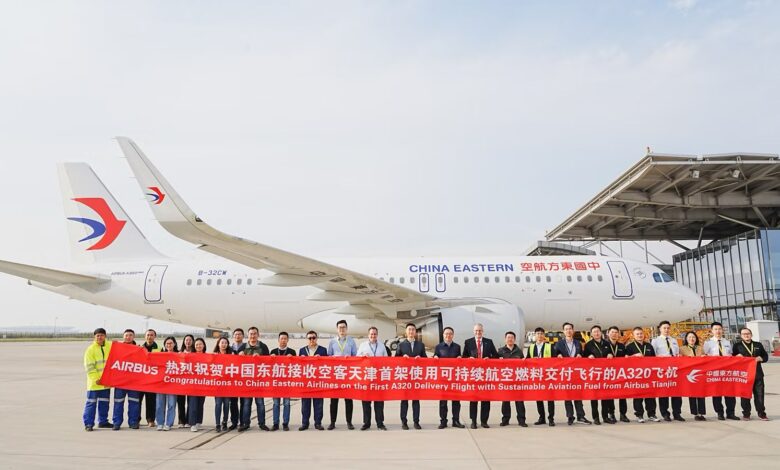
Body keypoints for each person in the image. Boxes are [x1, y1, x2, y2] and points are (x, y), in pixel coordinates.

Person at [553, 322, 591, 425]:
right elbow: (555, 355)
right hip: (566, 373)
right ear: (563, 331)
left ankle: (581, 416)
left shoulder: (578, 343)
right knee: (568, 396)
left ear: (573, 330)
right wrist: (558, 355)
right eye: (566, 329)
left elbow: (582, 354)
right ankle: (570, 416)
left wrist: (580, 355)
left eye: (570, 329)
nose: (568, 331)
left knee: (578, 395)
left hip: (576, 373)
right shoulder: (559, 343)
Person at [463, 323, 498, 428]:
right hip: (474, 375)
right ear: (473, 331)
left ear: (483, 331)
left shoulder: (489, 342)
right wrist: (469, 359)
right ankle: (473, 421)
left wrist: (489, 359)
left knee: (486, 399)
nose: (478, 332)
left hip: (486, 375)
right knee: (473, 399)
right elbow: (464, 356)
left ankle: (484, 421)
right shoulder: (468, 342)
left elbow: (495, 356)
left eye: (480, 330)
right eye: (476, 331)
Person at [703, 321, 740, 421]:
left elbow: (731, 355)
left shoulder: (727, 342)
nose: (718, 331)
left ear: (722, 330)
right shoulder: (708, 343)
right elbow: (704, 356)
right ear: (712, 331)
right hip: (715, 371)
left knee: (730, 393)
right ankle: (720, 413)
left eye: (719, 329)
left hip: (727, 371)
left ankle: (731, 413)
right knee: (716, 393)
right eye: (715, 329)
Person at [327, 320, 358, 430]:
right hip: (336, 374)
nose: (342, 329)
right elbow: (328, 356)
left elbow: (355, 356)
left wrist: (350, 359)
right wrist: (333, 358)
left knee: (348, 400)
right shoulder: (332, 342)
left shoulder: (351, 341)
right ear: (337, 329)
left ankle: (349, 422)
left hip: (348, 374)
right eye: (340, 327)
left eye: (344, 327)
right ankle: (332, 422)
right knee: (333, 400)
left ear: (347, 329)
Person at [733, 327, 769, 421]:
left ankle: (761, 413)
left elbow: (765, 356)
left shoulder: (758, 344)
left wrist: (761, 358)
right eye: (744, 334)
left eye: (748, 333)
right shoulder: (737, 346)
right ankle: (746, 414)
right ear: (741, 336)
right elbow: (732, 358)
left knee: (759, 395)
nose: (746, 335)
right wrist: (736, 356)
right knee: (745, 395)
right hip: (744, 375)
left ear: (751, 334)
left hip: (757, 374)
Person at [625, 327, 660, 423]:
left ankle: (651, 414)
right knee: (638, 396)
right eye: (637, 334)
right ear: (633, 335)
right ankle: (639, 415)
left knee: (650, 396)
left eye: (641, 333)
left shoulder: (649, 346)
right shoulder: (629, 346)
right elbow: (625, 360)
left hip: (649, 375)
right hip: (637, 375)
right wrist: (634, 356)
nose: (640, 335)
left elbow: (654, 359)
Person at [651, 320, 684, 422]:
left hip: (674, 369)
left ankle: (677, 413)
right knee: (664, 393)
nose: (666, 330)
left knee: (676, 392)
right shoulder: (655, 341)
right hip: (663, 370)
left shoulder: (674, 340)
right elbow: (653, 356)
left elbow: (677, 353)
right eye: (664, 328)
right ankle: (665, 414)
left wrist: (679, 356)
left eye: (668, 328)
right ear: (660, 329)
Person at [397, 323, 427, 430]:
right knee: (404, 400)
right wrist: (402, 358)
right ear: (406, 332)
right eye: (409, 329)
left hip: (416, 377)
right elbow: (395, 359)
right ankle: (404, 422)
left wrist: (421, 359)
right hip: (405, 377)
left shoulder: (421, 345)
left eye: (413, 329)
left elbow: (426, 359)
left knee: (416, 400)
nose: (411, 331)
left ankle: (416, 421)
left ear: (415, 332)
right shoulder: (401, 345)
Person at [240, 326, 270, 432]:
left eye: (254, 334)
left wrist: (261, 358)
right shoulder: (243, 347)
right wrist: (239, 356)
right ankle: (246, 424)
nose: (253, 336)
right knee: (246, 404)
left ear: (258, 335)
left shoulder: (263, 346)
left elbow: (269, 362)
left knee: (260, 403)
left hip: (259, 381)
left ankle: (262, 423)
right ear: (248, 335)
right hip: (247, 381)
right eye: (251, 334)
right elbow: (236, 363)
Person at [357, 326, 388, 430]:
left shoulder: (382, 346)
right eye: (371, 334)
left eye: (374, 334)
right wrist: (363, 357)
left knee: (379, 402)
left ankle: (380, 423)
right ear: (368, 335)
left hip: (378, 377)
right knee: (366, 401)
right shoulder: (363, 345)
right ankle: (366, 423)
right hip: (366, 377)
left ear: (377, 335)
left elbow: (386, 360)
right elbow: (357, 358)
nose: (373, 336)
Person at [433, 326, 464, 429]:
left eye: (450, 334)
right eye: (446, 334)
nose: (448, 335)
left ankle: (456, 421)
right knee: (443, 402)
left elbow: (459, 360)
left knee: (456, 401)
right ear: (443, 335)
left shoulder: (457, 347)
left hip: (455, 378)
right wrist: (435, 357)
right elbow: (435, 358)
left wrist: (459, 358)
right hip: (443, 379)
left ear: (453, 335)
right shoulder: (438, 347)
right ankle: (443, 421)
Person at [83, 327, 113, 431]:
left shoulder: (110, 346)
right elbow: (89, 367)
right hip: (95, 383)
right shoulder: (90, 349)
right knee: (91, 404)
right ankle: (89, 424)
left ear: (105, 336)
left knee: (104, 403)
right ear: (94, 337)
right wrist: (96, 379)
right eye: (98, 335)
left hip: (106, 382)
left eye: (102, 335)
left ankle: (103, 422)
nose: (100, 337)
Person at [112, 328, 141, 430]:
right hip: (120, 382)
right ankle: (116, 423)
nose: (128, 337)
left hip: (133, 382)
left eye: (130, 335)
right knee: (118, 403)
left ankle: (133, 422)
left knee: (134, 403)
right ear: (123, 336)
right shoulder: (117, 348)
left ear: (134, 337)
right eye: (126, 335)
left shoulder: (139, 349)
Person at [299, 331, 327, 431]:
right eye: (310, 338)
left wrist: (321, 359)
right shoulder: (302, 350)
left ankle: (318, 423)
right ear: (307, 339)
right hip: (306, 381)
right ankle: (305, 423)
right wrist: (301, 359)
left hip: (318, 380)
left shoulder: (323, 350)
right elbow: (298, 366)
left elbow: (327, 364)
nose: (312, 340)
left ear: (316, 338)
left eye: (313, 338)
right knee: (305, 404)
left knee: (318, 403)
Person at [498, 331, 526, 427]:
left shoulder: (519, 351)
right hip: (506, 380)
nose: (510, 339)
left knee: (519, 401)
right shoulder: (500, 351)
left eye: (512, 338)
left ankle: (521, 420)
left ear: (514, 339)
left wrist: (523, 361)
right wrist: (499, 361)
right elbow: (495, 366)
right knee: (505, 401)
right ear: (505, 339)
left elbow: (523, 365)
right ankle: (505, 420)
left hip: (517, 380)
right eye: (508, 337)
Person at [583, 325, 611, 425]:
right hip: (594, 374)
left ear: (601, 332)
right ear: (591, 334)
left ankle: (605, 417)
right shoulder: (588, 345)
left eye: (598, 331)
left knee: (605, 397)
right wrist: (588, 356)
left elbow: (611, 354)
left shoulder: (607, 343)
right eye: (594, 332)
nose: (597, 333)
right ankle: (596, 417)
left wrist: (610, 354)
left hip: (605, 374)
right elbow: (583, 357)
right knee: (594, 397)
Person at [528, 327, 555, 426]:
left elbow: (555, 361)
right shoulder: (531, 347)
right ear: (535, 335)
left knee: (550, 399)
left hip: (548, 376)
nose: (539, 335)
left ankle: (551, 418)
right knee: (539, 398)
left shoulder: (549, 346)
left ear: (544, 335)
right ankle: (542, 418)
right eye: (538, 334)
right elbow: (527, 360)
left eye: (541, 333)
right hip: (537, 376)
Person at [270, 331, 296, 431]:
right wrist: (271, 358)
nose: (283, 340)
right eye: (282, 338)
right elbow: (268, 367)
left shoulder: (292, 352)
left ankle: (285, 423)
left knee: (286, 403)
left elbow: (296, 367)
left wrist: (292, 359)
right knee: (276, 403)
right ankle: (275, 423)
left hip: (287, 383)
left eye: (285, 339)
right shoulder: (273, 351)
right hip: (276, 383)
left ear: (288, 340)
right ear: (278, 340)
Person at [605, 326, 630, 423]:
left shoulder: (622, 346)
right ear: (608, 333)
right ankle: (611, 414)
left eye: (616, 332)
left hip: (620, 374)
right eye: (612, 332)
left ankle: (623, 414)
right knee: (610, 395)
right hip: (609, 374)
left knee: (622, 395)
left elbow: (626, 357)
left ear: (618, 334)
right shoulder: (604, 345)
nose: (614, 334)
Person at [680, 331, 706, 421]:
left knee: (701, 393)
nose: (692, 339)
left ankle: (701, 413)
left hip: (700, 373)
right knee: (692, 394)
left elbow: (705, 359)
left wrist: (704, 357)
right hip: (689, 374)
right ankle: (695, 413)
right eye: (689, 337)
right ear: (686, 339)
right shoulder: (682, 349)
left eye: (693, 337)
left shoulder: (700, 348)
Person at [156, 337, 178, 431]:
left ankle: (169, 423)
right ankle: (160, 423)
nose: (169, 345)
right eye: (167, 343)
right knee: (160, 404)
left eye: (171, 343)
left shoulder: (179, 355)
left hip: (173, 384)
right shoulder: (160, 355)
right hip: (161, 383)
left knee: (171, 404)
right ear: (165, 345)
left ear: (174, 344)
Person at [139, 328, 160, 427]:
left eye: (151, 335)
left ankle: (151, 420)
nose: (149, 337)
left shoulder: (159, 349)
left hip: (152, 380)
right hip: (140, 380)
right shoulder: (139, 348)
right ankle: (136, 419)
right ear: (145, 336)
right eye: (148, 335)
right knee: (138, 401)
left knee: (151, 401)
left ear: (155, 336)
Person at [213, 336, 233, 432]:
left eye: (225, 343)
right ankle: (217, 423)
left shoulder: (231, 354)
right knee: (218, 404)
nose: (224, 344)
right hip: (218, 385)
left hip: (228, 385)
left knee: (226, 404)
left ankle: (224, 422)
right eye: (222, 342)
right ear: (218, 344)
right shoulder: (214, 355)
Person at [188, 337, 208, 431]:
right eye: (196, 345)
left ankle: (198, 421)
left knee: (200, 403)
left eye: (200, 344)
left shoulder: (208, 356)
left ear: (203, 345)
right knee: (193, 403)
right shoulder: (190, 356)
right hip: (193, 384)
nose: (198, 346)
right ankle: (192, 423)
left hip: (203, 383)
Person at [228, 328, 246, 431]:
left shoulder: (247, 347)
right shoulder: (229, 348)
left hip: (243, 379)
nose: (237, 336)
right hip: (232, 380)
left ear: (243, 336)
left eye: (239, 334)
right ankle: (234, 422)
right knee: (233, 402)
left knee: (243, 402)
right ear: (233, 336)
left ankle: (243, 422)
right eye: (235, 334)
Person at [176, 334, 195, 428]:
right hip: (181, 381)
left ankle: (188, 421)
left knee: (191, 402)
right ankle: (181, 421)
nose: (188, 342)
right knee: (181, 402)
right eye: (186, 340)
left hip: (192, 381)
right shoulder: (179, 353)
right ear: (184, 341)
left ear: (193, 342)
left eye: (190, 340)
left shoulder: (196, 353)